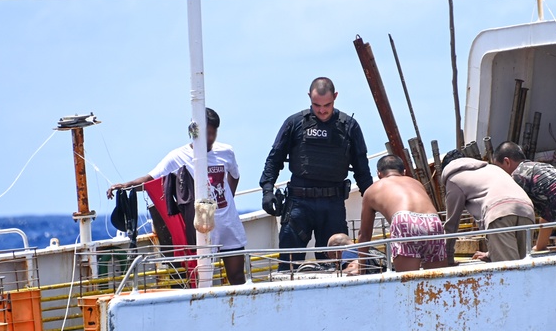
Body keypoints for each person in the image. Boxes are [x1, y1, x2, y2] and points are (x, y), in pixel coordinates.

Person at [107, 108, 247, 285]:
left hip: (228, 222)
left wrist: (229, 200)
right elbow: (151, 178)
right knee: (204, 280)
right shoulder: (179, 156)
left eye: (214, 133)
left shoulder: (226, 152)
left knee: (237, 277)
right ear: (194, 132)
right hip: (203, 227)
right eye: (207, 134)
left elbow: (234, 175)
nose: (210, 138)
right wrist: (127, 186)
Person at [259, 77, 373, 268]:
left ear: (335, 97)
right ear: (309, 98)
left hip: (332, 205)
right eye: (316, 105)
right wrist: (267, 190)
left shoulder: (350, 126)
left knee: (337, 266)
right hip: (299, 205)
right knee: (288, 266)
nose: (321, 110)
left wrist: (372, 199)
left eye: (327, 105)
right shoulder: (294, 123)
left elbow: (362, 170)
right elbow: (274, 158)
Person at [440, 149, 534, 264]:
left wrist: (447, 259)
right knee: (526, 267)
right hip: (527, 210)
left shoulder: (453, 178)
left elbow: (452, 224)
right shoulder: (491, 168)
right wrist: (492, 253)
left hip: (500, 212)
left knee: (509, 274)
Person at [356, 155, 447, 273]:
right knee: (438, 283)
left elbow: (364, 234)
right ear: (404, 172)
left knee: (408, 283)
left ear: (379, 174)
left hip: (404, 220)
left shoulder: (371, 190)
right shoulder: (416, 183)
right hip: (433, 221)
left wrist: (361, 268)